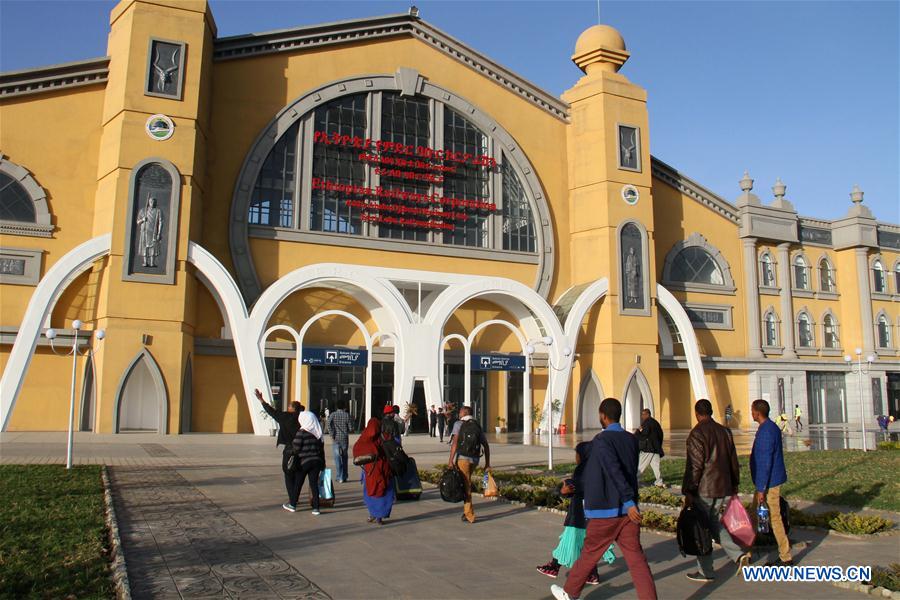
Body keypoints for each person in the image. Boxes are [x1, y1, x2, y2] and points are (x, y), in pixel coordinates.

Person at [550, 398, 656, 600]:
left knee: (590, 552)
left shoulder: (602, 441)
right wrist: (630, 502)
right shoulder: (631, 439)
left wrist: (628, 501)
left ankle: (569, 593)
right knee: (636, 560)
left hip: (607, 510)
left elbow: (612, 470)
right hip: (628, 512)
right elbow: (628, 473)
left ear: (603, 416)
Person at [681, 399, 750, 583]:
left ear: (697, 413)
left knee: (702, 528)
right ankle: (737, 556)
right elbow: (733, 460)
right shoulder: (724, 431)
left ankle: (707, 571)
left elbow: (696, 466)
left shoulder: (697, 434)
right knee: (713, 523)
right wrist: (734, 483)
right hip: (723, 485)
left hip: (704, 488)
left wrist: (689, 490)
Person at [537, 442, 611, 585]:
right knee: (584, 544)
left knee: (569, 541)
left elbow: (577, 486)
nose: (575, 457)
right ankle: (591, 574)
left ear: (583, 455)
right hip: (589, 514)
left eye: (576, 454)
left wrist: (563, 490)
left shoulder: (583, 470)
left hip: (579, 515)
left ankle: (554, 566)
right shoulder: (596, 468)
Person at [750, 399, 792, 567]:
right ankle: (746, 551)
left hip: (768, 483)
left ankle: (785, 556)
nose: (751, 413)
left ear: (757, 412)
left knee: (774, 517)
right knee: (754, 516)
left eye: (752, 410)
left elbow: (765, 462)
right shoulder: (771, 427)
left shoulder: (766, 432)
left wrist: (761, 488)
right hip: (767, 481)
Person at [254, 389, 304, 506]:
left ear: (292, 408)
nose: (288, 408)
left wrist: (261, 400)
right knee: (298, 474)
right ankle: (295, 497)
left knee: (288, 473)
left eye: (289, 406)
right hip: (301, 449)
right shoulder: (302, 418)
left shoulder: (285, 417)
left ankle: (293, 499)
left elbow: (271, 411)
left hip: (289, 449)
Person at [447, 406, 491, 523]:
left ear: (465, 412)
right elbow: (485, 445)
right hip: (475, 459)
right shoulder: (477, 425)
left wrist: (450, 460)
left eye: (461, 411)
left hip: (463, 458)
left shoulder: (458, 424)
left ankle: (469, 514)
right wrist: (487, 463)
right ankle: (466, 511)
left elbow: (455, 443)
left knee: (466, 485)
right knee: (466, 482)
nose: (459, 413)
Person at [353, 416, 395, 525]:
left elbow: (357, 450)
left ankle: (372, 514)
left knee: (371, 493)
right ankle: (379, 517)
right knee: (384, 493)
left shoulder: (364, 437)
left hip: (370, 471)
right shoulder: (384, 436)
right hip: (384, 470)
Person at [286, 411, 326, 515]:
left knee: (298, 483)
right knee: (314, 485)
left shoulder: (302, 432)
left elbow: (296, 447)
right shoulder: (318, 433)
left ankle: (293, 505)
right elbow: (321, 449)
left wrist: (290, 450)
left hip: (304, 462)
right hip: (316, 461)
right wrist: (323, 464)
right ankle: (316, 508)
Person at [636, 408, 665, 488]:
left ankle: (633, 480)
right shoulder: (655, 423)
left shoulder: (646, 423)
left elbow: (644, 435)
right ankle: (659, 482)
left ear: (647, 414)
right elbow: (661, 434)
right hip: (656, 448)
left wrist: (637, 432)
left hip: (648, 449)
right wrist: (658, 445)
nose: (642, 416)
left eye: (643, 414)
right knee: (656, 467)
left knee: (640, 465)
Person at [327, 400, 354, 484]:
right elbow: (351, 428)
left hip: (335, 438)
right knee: (344, 457)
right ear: (344, 406)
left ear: (336, 406)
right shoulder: (347, 415)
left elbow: (328, 423)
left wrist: (331, 433)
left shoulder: (333, 414)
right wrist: (349, 430)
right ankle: (344, 475)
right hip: (344, 438)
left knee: (337, 457)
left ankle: (339, 476)